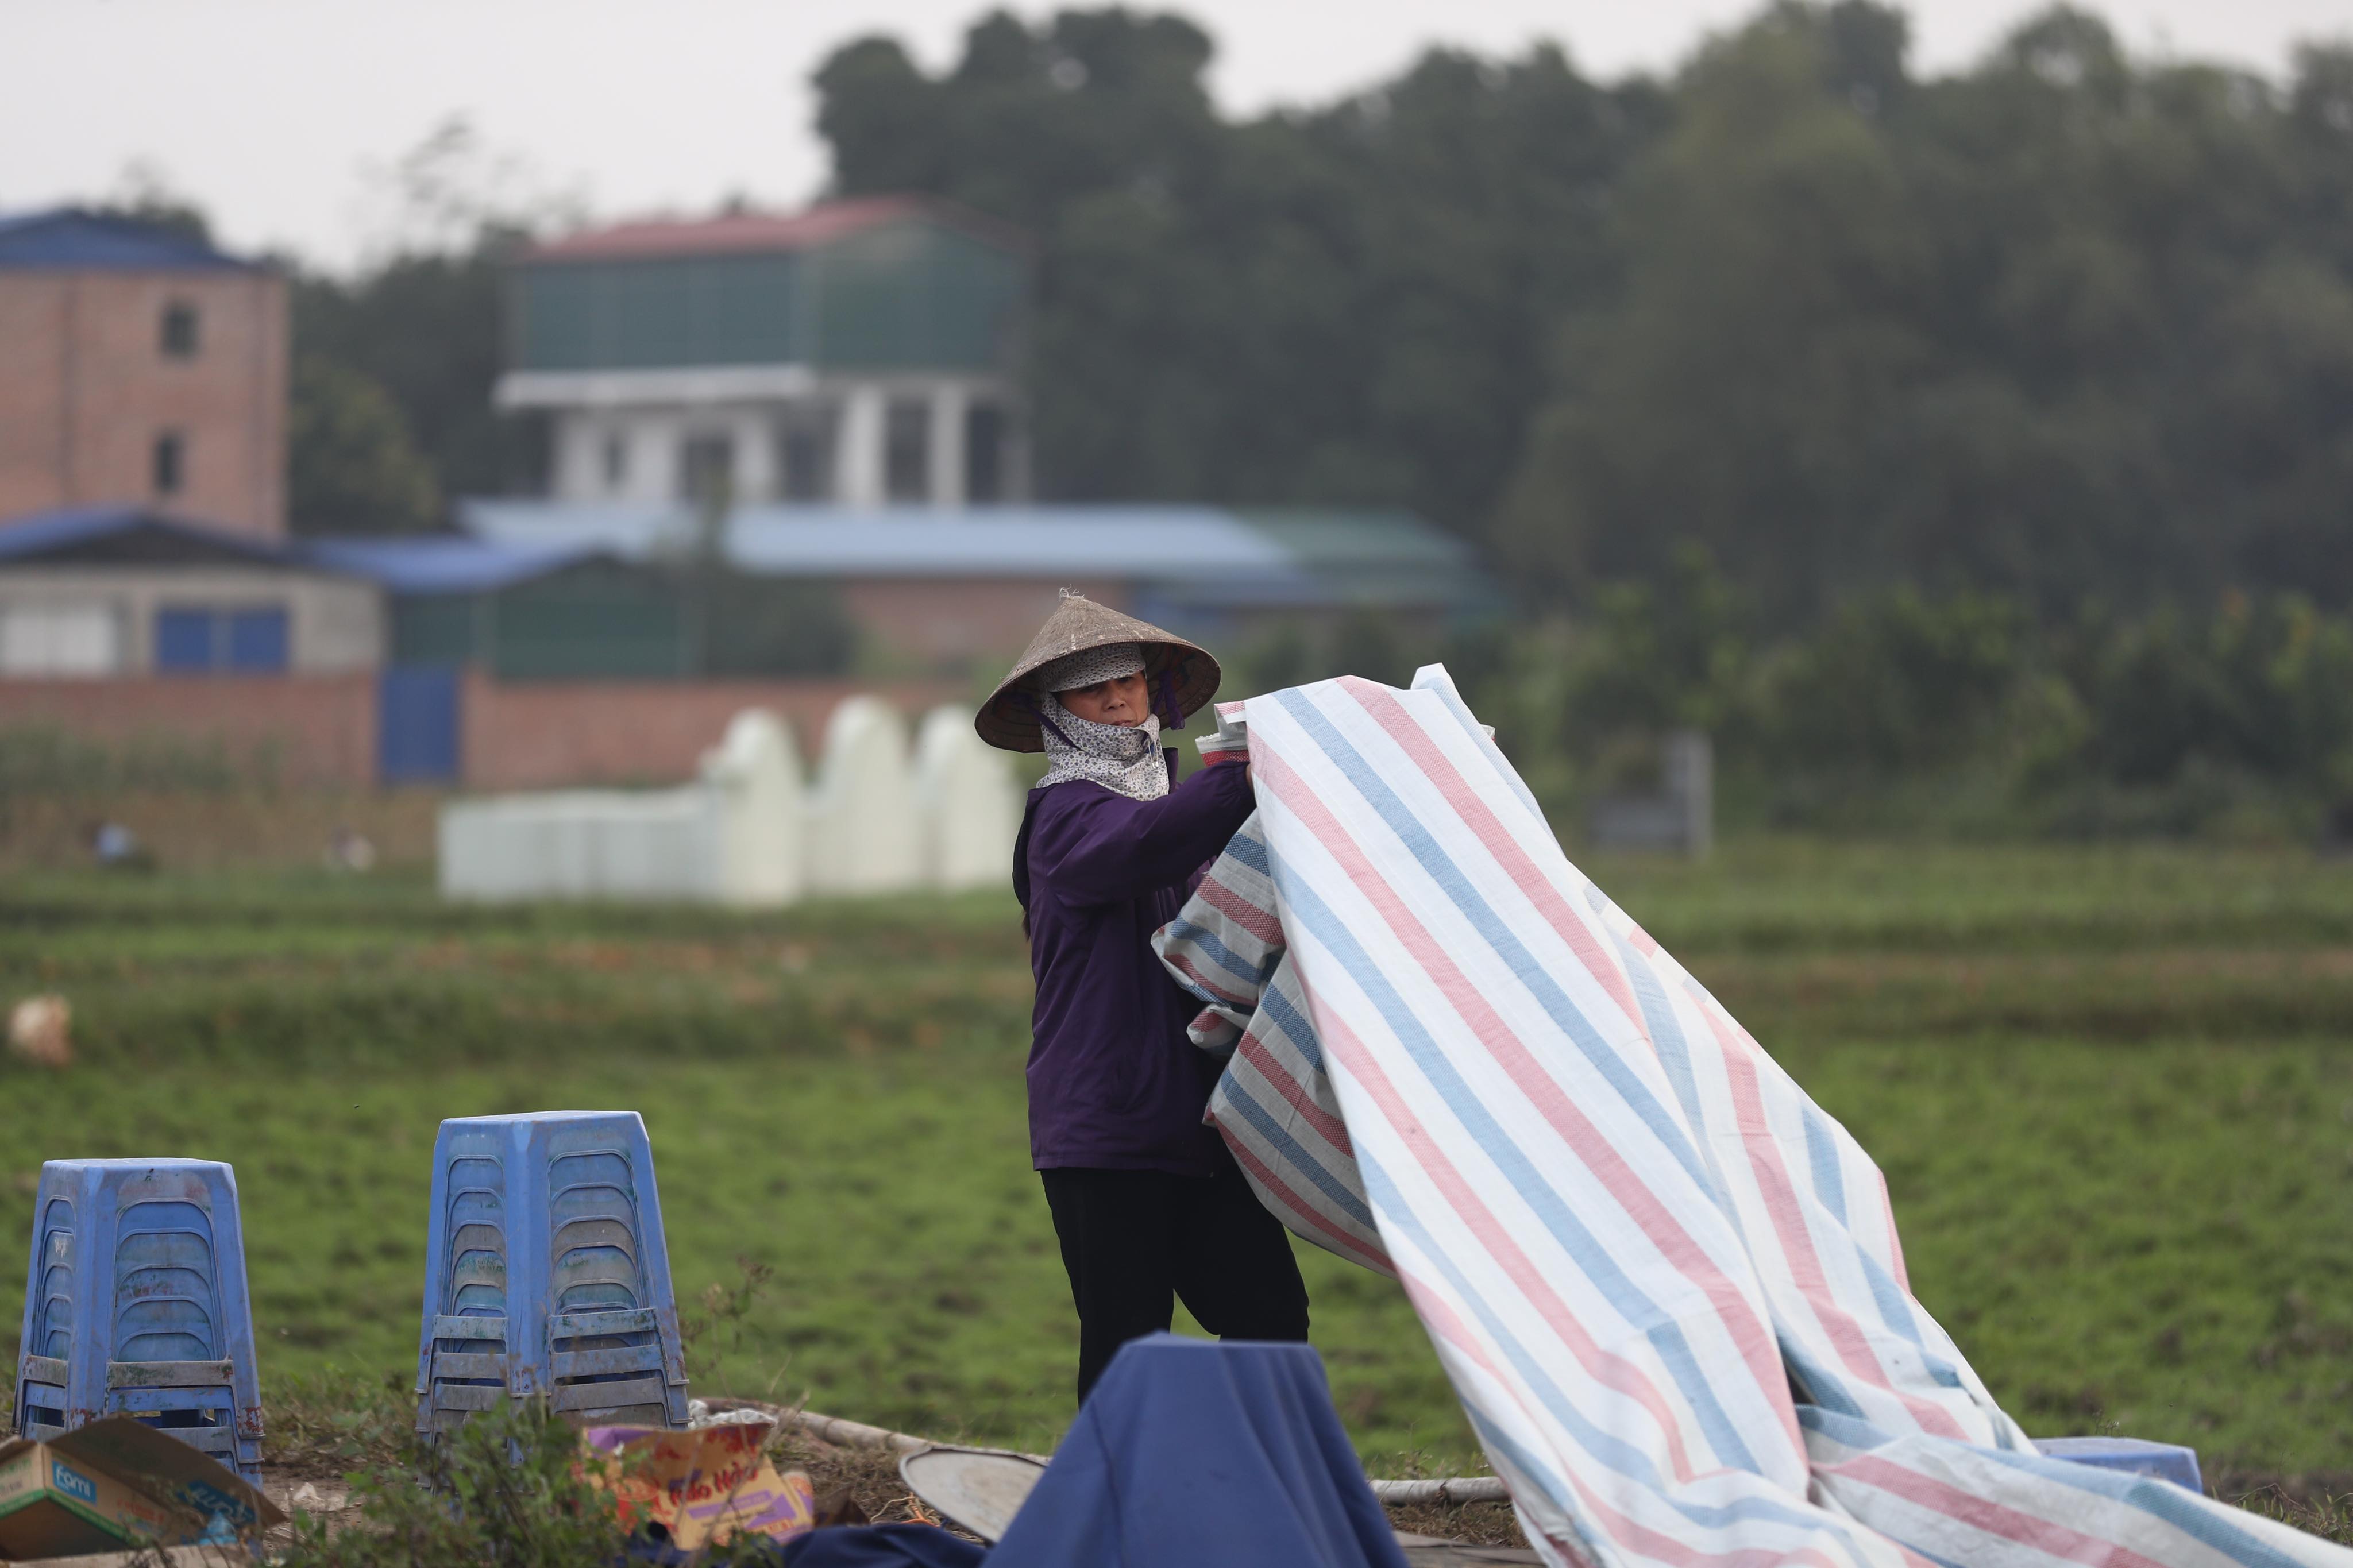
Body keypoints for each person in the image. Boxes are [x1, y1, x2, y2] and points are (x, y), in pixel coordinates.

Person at [976, 592, 1310, 1404]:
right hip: (1106, 1131)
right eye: (1095, 691)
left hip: (1198, 1122)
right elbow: (1146, 844)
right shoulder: (1066, 819)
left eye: (1128, 681)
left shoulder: (1182, 813)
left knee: (1271, 1313)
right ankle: (1113, 1519)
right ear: (1057, 714)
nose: (1120, 699)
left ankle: (1249, 1491)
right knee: (1128, 1349)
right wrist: (1242, 772)